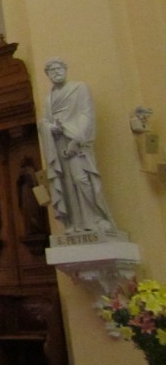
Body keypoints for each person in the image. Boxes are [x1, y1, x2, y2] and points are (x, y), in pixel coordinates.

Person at [37, 59, 116, 234]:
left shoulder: (79, 88)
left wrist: (77, 140)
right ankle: (76, 223)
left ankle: (96, 218)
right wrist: (50, 128)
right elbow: (44, 121)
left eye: (58, 68)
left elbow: (86, 114)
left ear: (65, 69)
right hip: (58, 144)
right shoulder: (49, 98)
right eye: (51, 71)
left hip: (77, 143)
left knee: (81, 179)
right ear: (48, 75)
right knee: (66, 184)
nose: (55, 72)